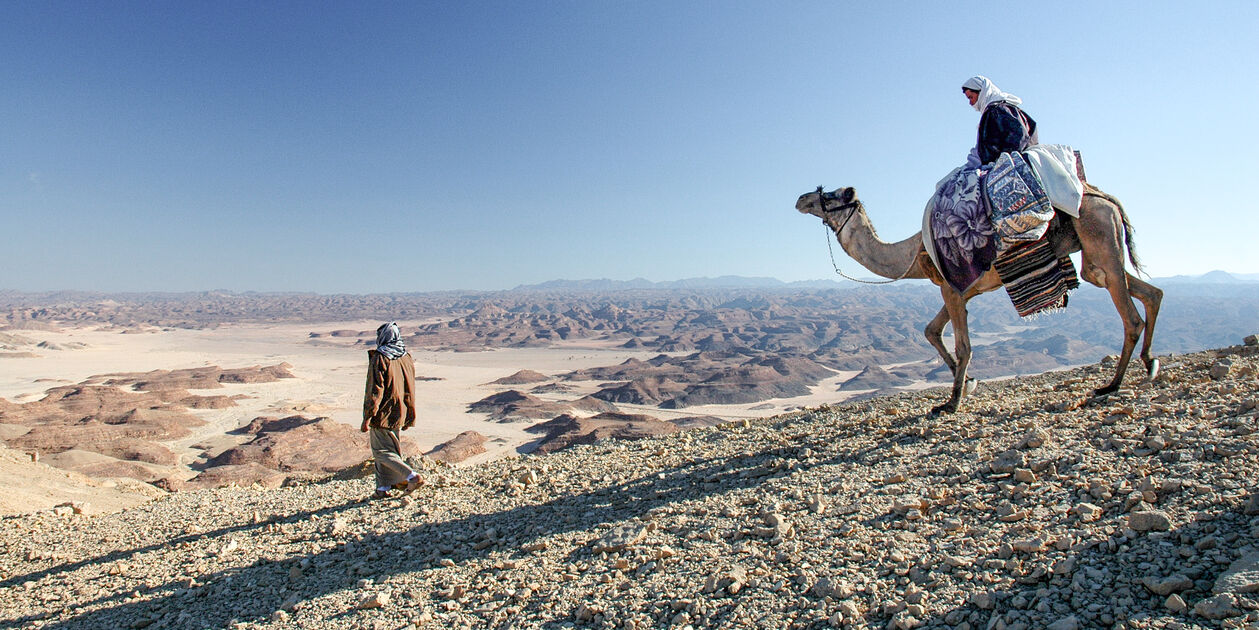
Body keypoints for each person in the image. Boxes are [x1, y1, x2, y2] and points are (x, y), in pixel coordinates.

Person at [361, 322, 422, 500]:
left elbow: (375, 390)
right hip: (400, 409)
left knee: (381, 452)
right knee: (388, 449)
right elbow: (410, 387)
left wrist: (368, 416)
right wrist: (410, 414)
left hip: (383, 412)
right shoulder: (405, 356)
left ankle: (412, 476)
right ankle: (382, 488)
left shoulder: (381, 357)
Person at [961, 76, 1038, 168]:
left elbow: (1018, 137)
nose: (971, 103)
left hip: (1015, 167)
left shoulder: (996, 110)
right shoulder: (1005, 108)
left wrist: (1003, 164)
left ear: (982, 92)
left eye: (971, 97)